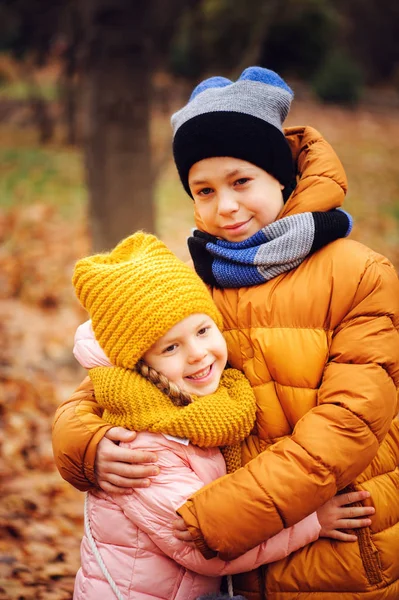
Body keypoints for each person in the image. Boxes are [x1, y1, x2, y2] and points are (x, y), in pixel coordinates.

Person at [52, 67, 399, 599]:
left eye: (242, 181)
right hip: (237, 563)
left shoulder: (360, 275)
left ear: (280, 176)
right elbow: (112, 377)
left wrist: (219, 519)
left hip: (335, 539)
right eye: (204, 190)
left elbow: (349, 422)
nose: (226, 207)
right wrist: (87, 445)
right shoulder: (200, 284)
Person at [68, 231, 372, 600]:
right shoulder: (142, 447)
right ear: (139, 365)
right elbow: (205, 547)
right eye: (171, 347)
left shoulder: (203, 408)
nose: (197, 353)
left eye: (202, 330)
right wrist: (313, 522)